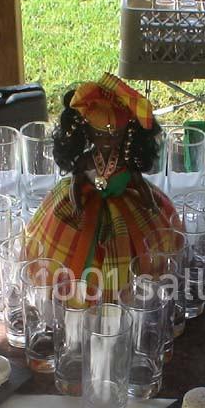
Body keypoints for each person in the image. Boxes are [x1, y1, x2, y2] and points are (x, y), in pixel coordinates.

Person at [26, 73, 178, 296]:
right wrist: (76, 202)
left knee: (142, 243)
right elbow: (77, 182)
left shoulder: (124, 160)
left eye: (115, 135)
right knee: (67, 248)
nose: (107, 140)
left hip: (127, 205)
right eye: (99, 134)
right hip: (87, 206)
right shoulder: (88, 160)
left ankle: (132, 291)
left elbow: (139, 182)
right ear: (86, 132)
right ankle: (71, 291)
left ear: (127, 133)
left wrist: (149, 202)